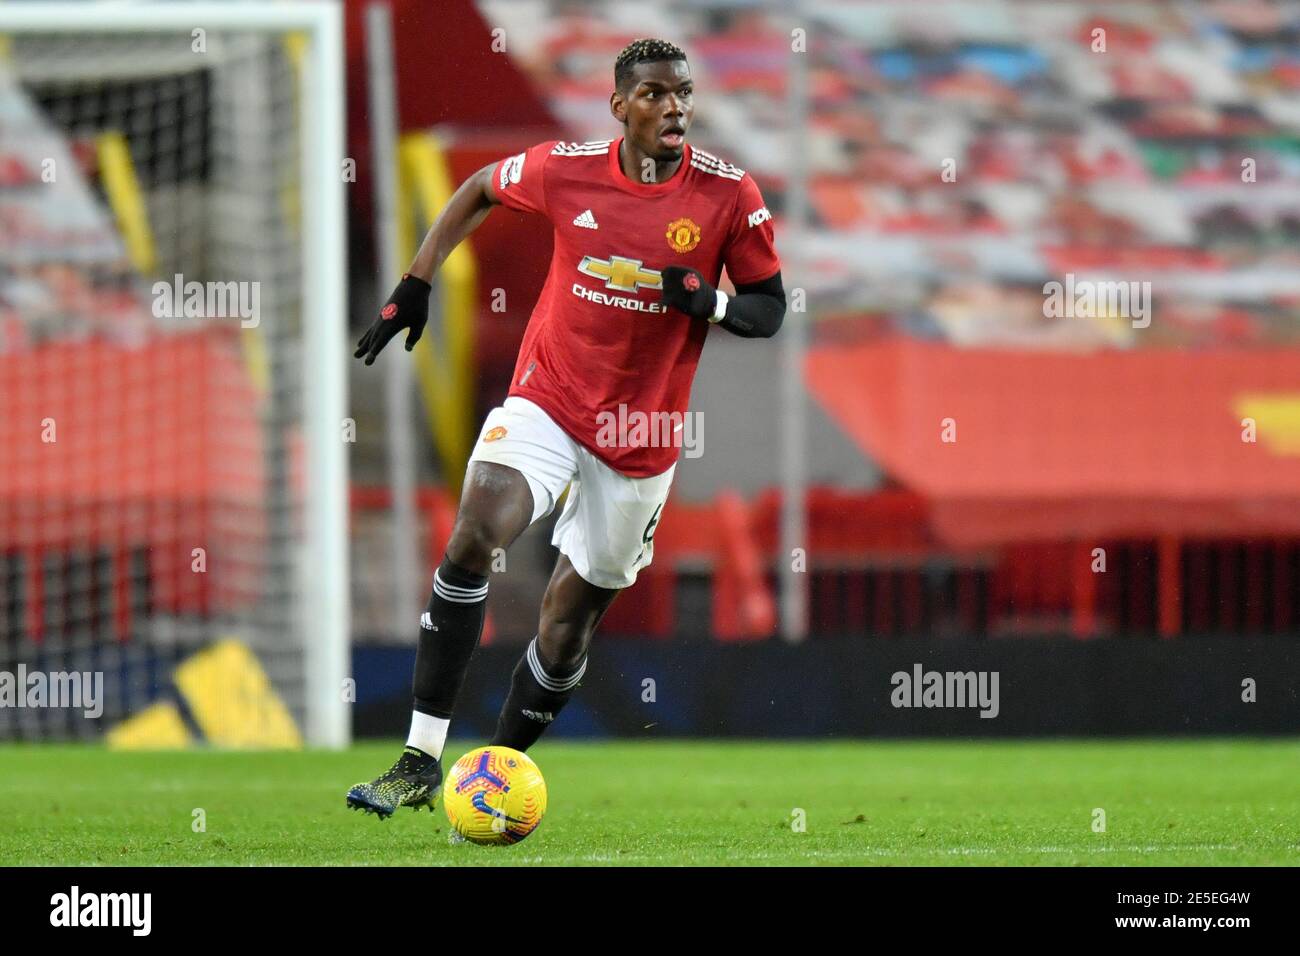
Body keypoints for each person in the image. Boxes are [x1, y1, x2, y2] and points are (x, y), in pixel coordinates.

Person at [347, 38, 784, 818]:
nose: (674, 106)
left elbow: (770, 307)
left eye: (682, 92)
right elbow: (480, 186)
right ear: (620, 107)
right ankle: (418, 758)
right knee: (477, 529)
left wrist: (712, 305)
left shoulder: (728, 196)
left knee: (565, 627)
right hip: (548, 400)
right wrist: (415, 283)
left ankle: (495, 776)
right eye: (654, 94)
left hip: (639, 441)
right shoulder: (566, 168)